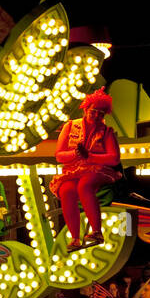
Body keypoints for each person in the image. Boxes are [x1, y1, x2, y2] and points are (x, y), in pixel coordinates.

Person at [49, 88, 122, 251]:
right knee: (66, 191)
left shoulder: (107, 132)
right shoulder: (70, 126)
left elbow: (114, 158)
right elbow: (59, 155)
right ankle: (75, 238)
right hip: (73, 171)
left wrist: (90, 156)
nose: (97, 116)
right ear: (86, 109)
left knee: (85, 185)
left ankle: (96, 231)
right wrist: (75, 153)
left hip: (98, 170)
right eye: (94, 111)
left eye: (101, 114)